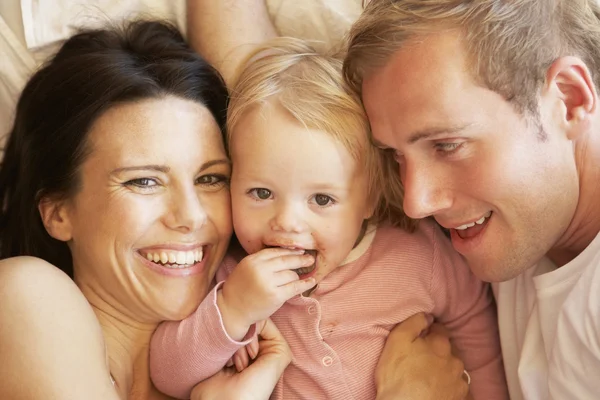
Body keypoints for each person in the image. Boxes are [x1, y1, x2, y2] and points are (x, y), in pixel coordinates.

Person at [149, 37, 508, 400]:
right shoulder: (230, 278)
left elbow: (474, 324)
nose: (287, 221)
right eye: (260, 193)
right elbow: (166, 373)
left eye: (322, 199)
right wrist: (233, 310)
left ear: (370, 197)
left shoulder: (416, 255)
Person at [0, 19, 290, 400]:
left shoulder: (254, 358)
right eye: (144, 181)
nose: (191, 216)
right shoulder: (25, 292)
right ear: (57, 213)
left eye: (211, 179)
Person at [342, 0, 600, 399]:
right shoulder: (523, 220)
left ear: (568, 99)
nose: (416, 202)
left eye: (446, 145)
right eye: (394, 155)